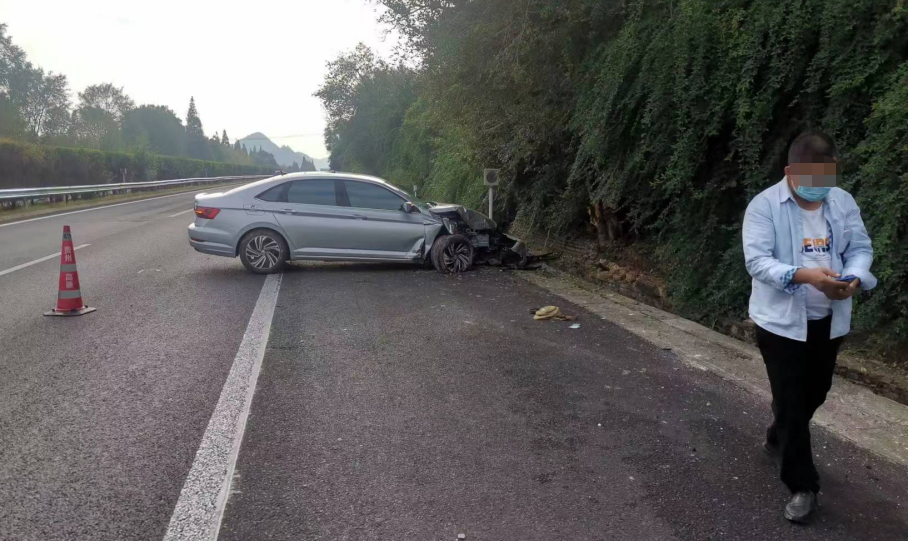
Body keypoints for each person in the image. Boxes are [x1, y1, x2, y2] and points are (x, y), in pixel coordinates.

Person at [742, 131, 876, 523]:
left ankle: (778, 432)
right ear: (791, 171)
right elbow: (758, 262)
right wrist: (808, 277)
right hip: (780, 324)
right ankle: (803, 486)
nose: (818, 184)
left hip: (828, 321)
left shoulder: (843, 202)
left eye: (825, 174)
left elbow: (860, 248)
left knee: (815, 392)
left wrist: (853, 277)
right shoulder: (764, 206)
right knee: (792, 400)